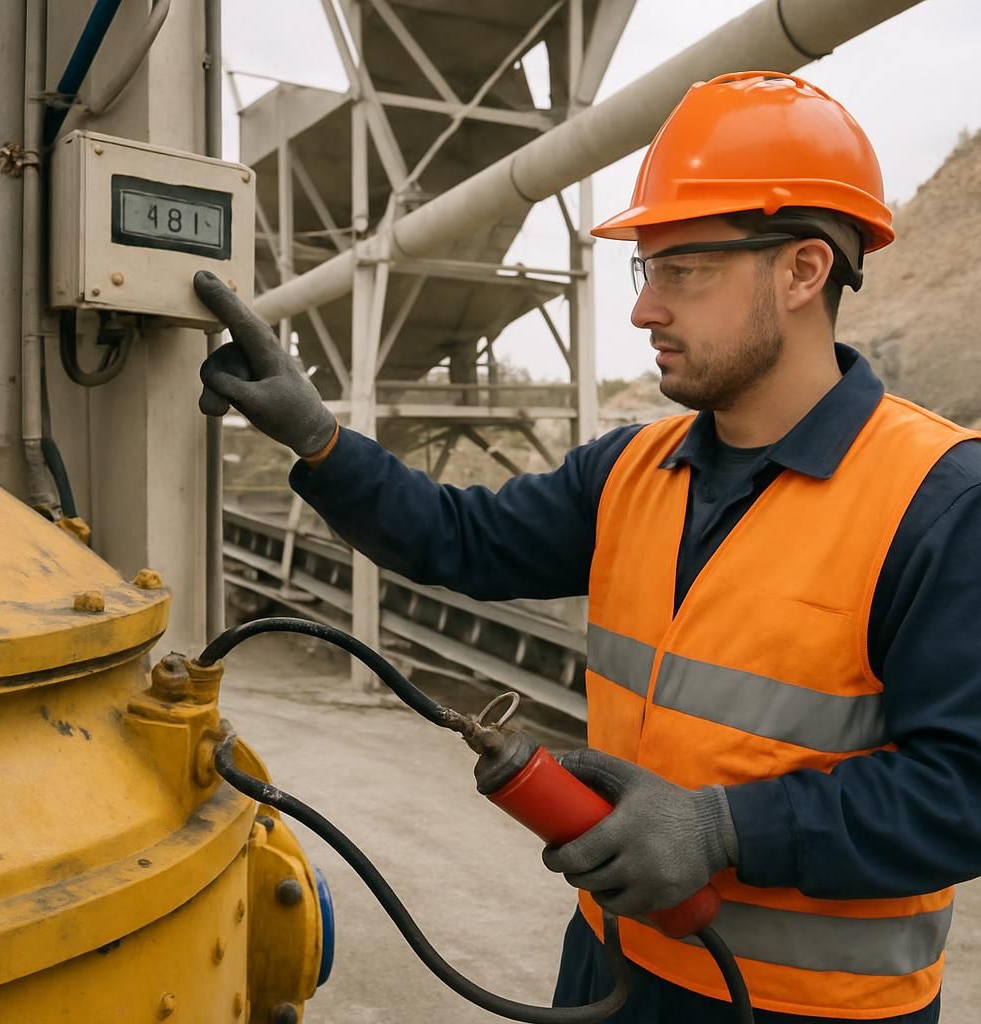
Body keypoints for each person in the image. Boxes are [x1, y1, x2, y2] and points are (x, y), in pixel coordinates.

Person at [193, 71, 981, 1022]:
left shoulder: (939, 498)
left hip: (811, 1010)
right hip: (609, 972)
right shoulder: (630, 471)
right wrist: (319, 440)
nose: (647, 309)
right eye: (643, 269)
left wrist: (723, 827)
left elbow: (964, 786)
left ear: (805, 270)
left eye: (682, 269)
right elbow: (460, 540)